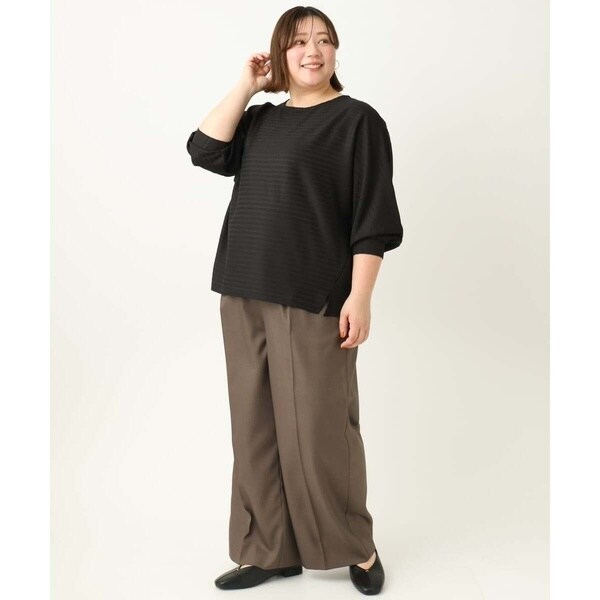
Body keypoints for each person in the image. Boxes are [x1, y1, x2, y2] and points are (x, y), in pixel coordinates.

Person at [186, 6, 403, 596]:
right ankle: (269, 549)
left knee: (320, 430)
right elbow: (204, 150)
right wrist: (246, 86)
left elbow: (373, 219)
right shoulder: (259, 120)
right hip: (243, 288)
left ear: (336, 52)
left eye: (324, 41)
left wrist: (361, 297)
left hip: (314, 295)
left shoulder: (357, 121)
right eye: (299, 42)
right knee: (254, 429)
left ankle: (355, 546)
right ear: (280, 53)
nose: (313, 51)